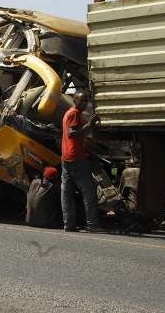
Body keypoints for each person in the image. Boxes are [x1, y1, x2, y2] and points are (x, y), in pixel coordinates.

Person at [60, 91, 103, 233]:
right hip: (76, 158)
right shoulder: (75, 114)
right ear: (75, 100)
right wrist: (90, 124)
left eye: (86, 100)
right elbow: (73, 133)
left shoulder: (68, 113)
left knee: (66, 192)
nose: (84, 103)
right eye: (82, 100)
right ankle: (92, 224)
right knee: (88, 191)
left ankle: (69, 224)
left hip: (66, 157)